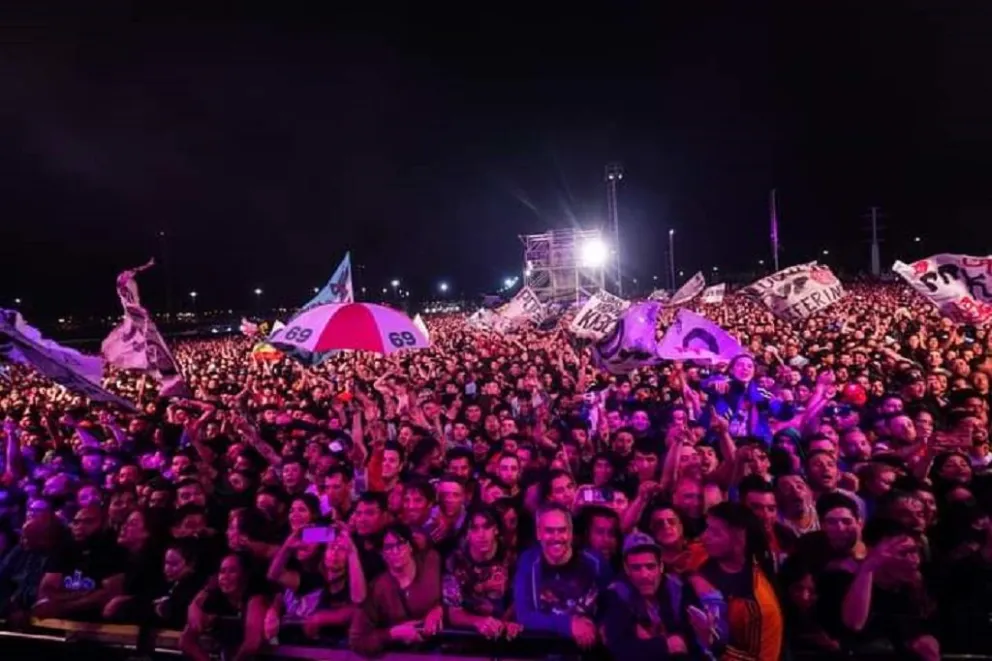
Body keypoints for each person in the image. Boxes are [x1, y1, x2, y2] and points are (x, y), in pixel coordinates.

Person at [600, 530, 724, 658]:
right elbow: (619, 649)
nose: (644, 575)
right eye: (636, 568)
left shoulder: (678, 588)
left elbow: (700, 643)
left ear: (661, 567)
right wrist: (664, 644)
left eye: (650, 566)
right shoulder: (617, 594)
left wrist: (707, 637)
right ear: (627, 570)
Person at [513, 503, 610, 649]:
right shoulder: (528, 561)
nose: (556, 537)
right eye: (549, 531)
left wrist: (600, 624)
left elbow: (612, 604)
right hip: (543, 649)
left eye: (562, 530)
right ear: (539, 534)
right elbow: (524, 615)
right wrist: (569, 624)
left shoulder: (595, 561)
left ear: (570, 533)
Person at [699, 501, 783, 661]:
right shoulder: (703, 555)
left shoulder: (760, 603)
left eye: (715, 532)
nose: (704, 537)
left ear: (740, 538)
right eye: (707, 528)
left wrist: (714, 645)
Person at [348, 523, 443, 657]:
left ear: (410, 546)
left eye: (400, 544)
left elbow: (454, 596)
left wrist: (438, 609)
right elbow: (357, 641)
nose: (395, 551)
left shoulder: (432, 561)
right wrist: (392, 634)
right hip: (398, 655)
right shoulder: (378, 588)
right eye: (388, 547)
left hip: (438, 651)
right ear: (382, 554)